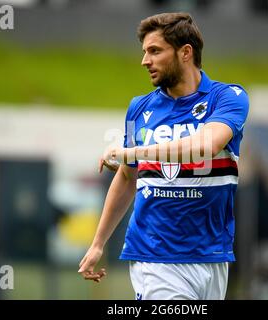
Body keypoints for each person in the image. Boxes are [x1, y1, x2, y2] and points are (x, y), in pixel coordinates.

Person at [78, 12, 249, 300]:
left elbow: (205, 145)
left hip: (213, 255)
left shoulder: (228, 97)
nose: (145, 61)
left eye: (155, 51)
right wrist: (98, 243)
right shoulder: (138, 108)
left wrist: (131, 152)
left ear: (185, 52)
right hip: (156, 255)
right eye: (145, 52)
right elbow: (127, 177)